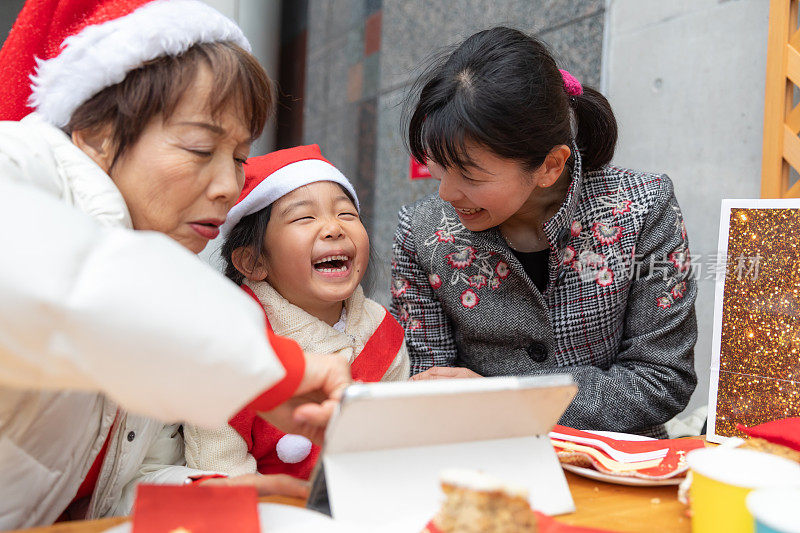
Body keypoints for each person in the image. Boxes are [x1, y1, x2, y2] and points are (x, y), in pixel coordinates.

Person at [0, 1, 349, 529]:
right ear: (96, 134)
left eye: (237, 158)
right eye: (199, 147)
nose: (229, 187)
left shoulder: (155, 269)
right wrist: (272, 368)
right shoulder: (21, 166)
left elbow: (115, 484)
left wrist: (211, 497)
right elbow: (69, 281)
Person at [390, 27, 697, 438]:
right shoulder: (421, 235)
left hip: (619, 467)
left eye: (468, 175)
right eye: (438, 167)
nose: (445, 193)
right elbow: (430, 386)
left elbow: (663, 380)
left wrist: (503, 399)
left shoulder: (642, 207)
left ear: (551, 165)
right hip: (481, 464)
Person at [183, 145, 409, 482]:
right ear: (253, 262)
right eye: (304, 217)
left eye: (346, 214)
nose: (334, 228)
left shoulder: (383, 331)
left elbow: (396, 444)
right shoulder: (232, 342)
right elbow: (220, 467)